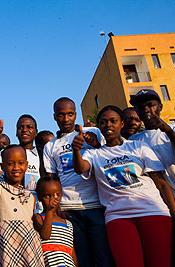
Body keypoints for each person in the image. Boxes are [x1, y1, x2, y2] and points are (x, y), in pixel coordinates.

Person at [72, 105, 175, 267]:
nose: (108, 125)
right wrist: (76, 150)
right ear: (99, 127)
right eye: (103, 122)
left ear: (121, 124)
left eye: (113, 121)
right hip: (118, 217)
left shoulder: (138, 147)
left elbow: (161, 184)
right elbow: (81, 168)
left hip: (153, 212)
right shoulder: (94, 154)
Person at [129, 89, 175, 267]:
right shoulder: (134, 140)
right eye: (141, 107)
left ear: (159, 107)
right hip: (154, 209)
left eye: (151, 105)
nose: (147, 110)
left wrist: (166, 129)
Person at [43, 97, 114, 267]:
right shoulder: (51, 146)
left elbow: (110, 157)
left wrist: (96, 145)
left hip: (96, 205)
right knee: (80, 260)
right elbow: (52, 179)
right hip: (69, 210)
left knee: (103, 258)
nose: (66, 119)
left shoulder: (93, 133)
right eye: (61, 115)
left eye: (70, 114)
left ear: (75, 115)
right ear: (54, 117)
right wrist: (57, 207)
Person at [33, 176, 78, 267]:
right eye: (47, 196)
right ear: (39, 197)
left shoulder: (68, 224)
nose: (53, 199)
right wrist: (49, 211)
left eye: (57, 195)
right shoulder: (38, 218)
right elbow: (45, 235)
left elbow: (72, 252)